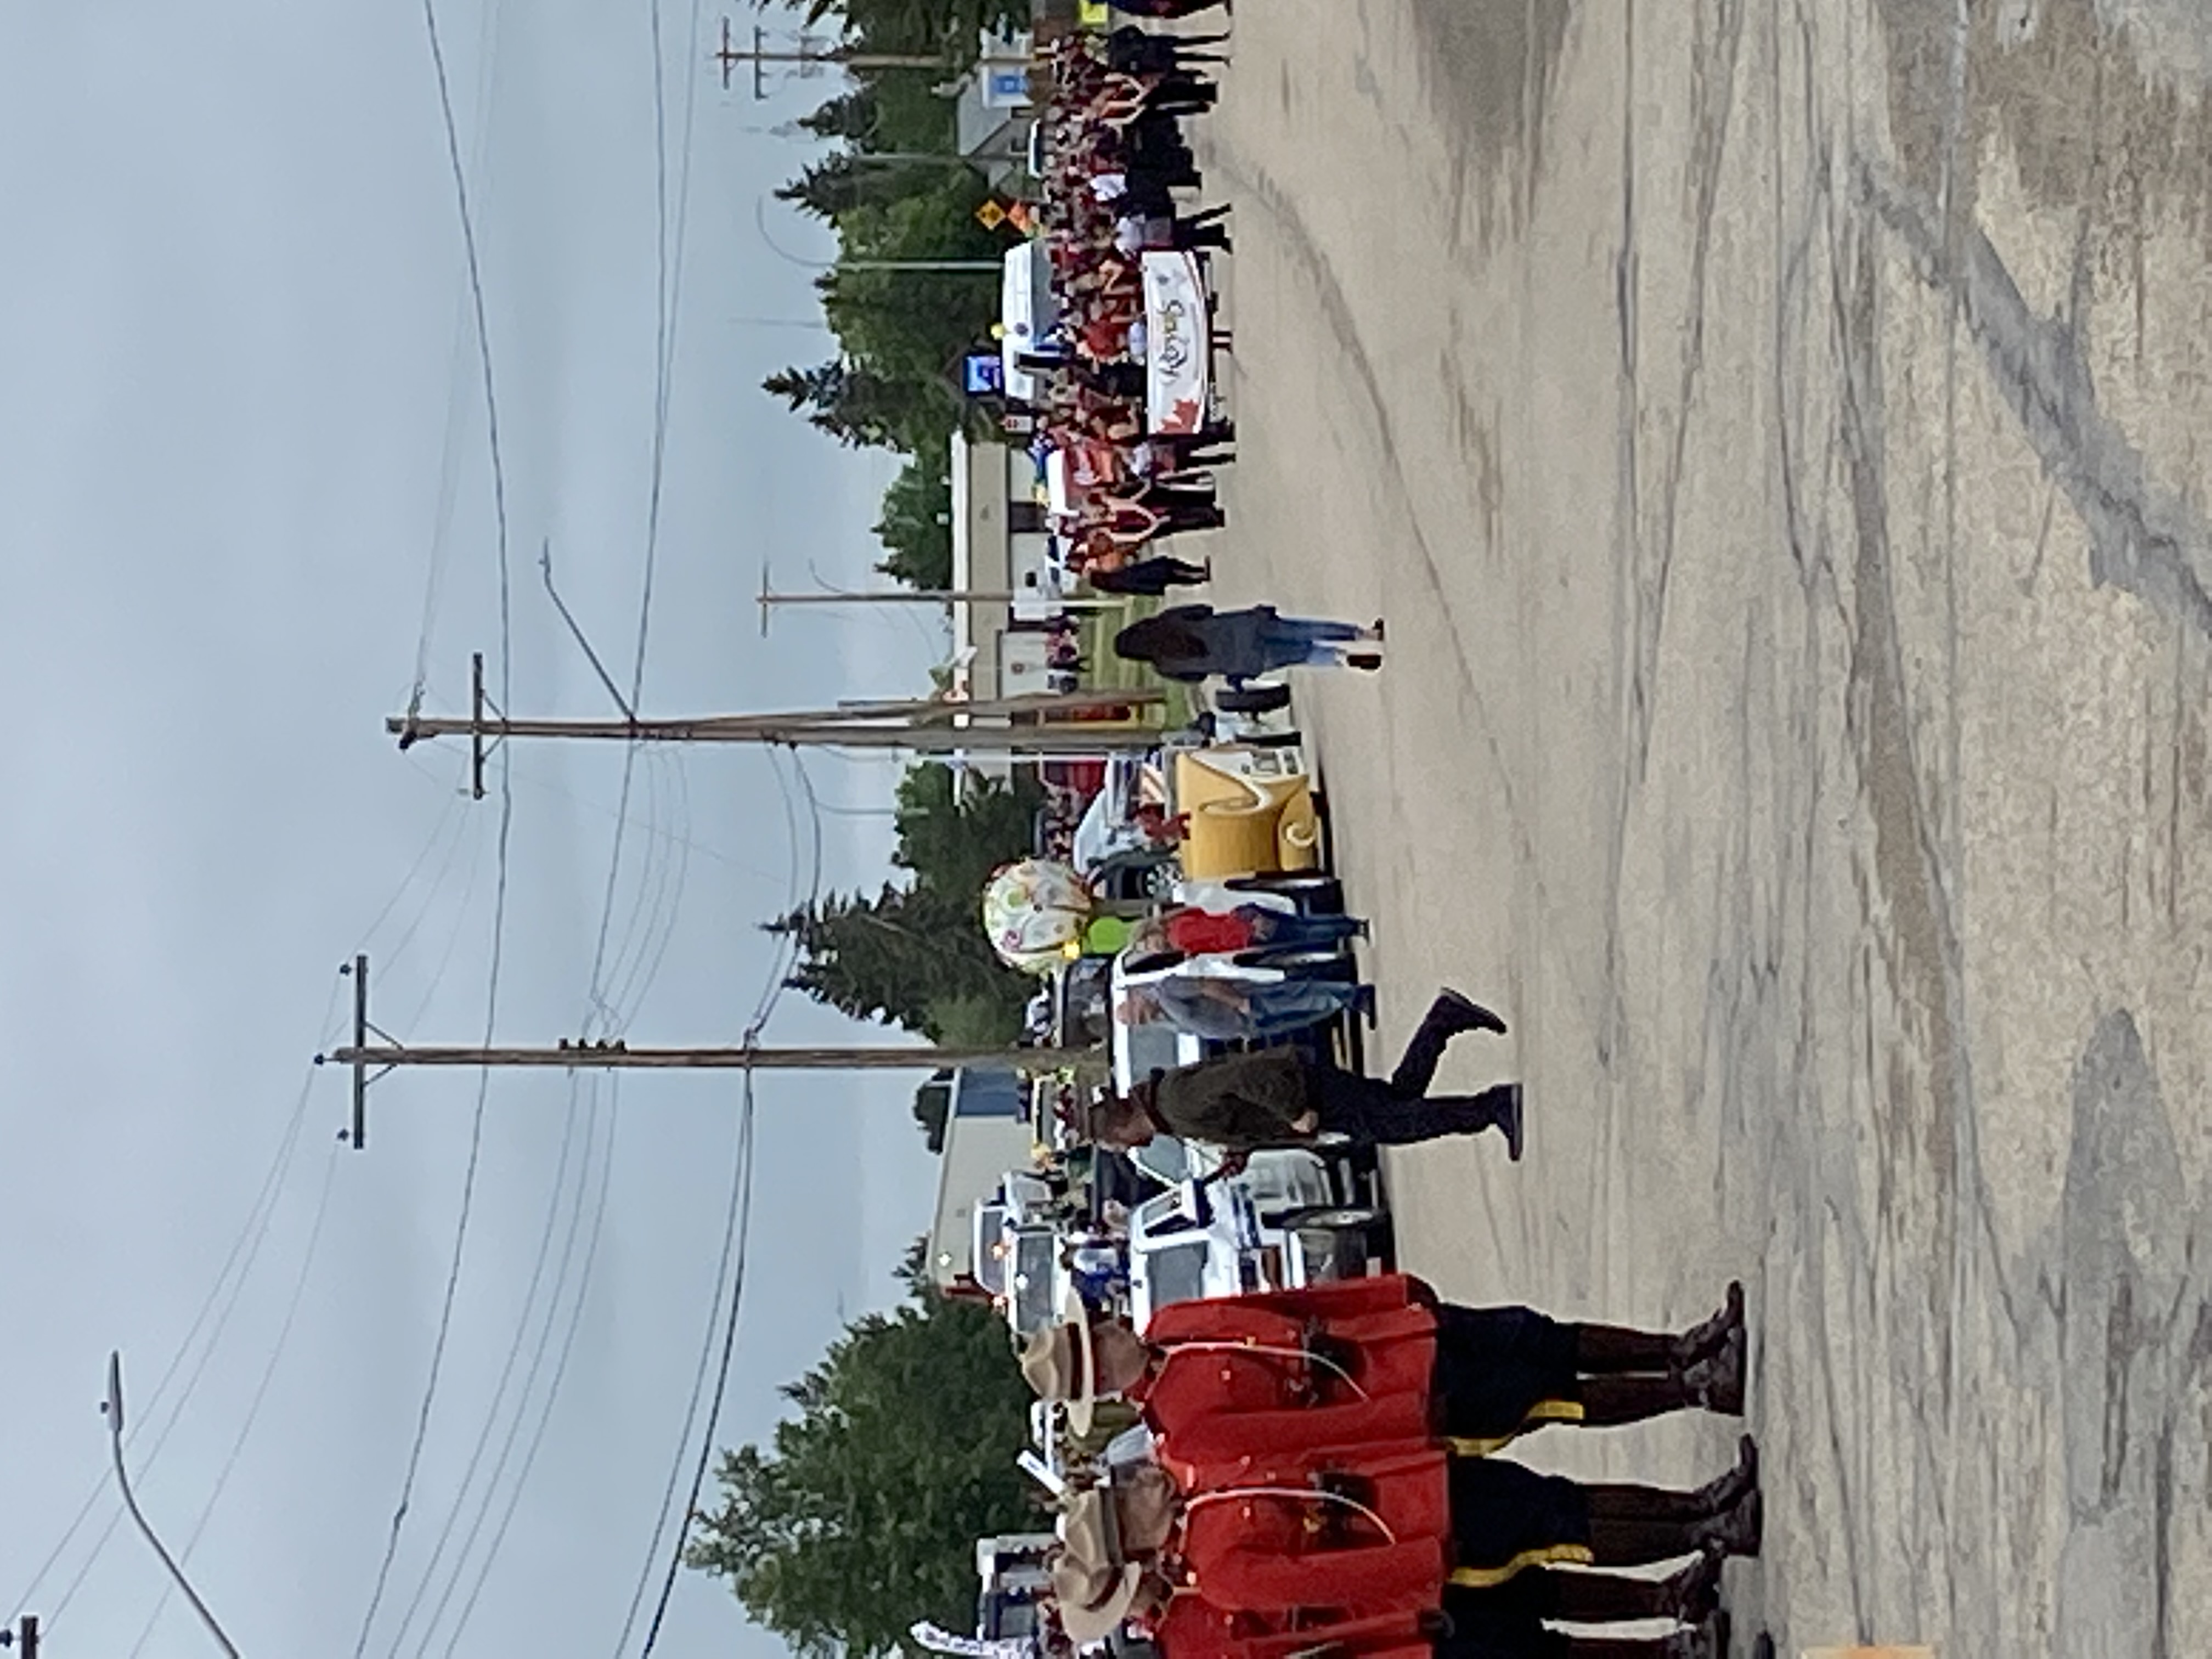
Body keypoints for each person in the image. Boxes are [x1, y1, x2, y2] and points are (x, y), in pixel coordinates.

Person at [1020, 1274, 1748, 1474]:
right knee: (1550, 1398)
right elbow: (1305, 1440)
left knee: (1537, 1336)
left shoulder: (1172, 1322)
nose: (1112, 1324)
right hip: (1401, 1396)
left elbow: (1288, 1304)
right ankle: (1692, 1391)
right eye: (1100, 1336)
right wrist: (1404, 1430)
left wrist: (1385, 1295)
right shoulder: (1181, 1431)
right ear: (1103, 1374)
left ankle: (1682, 1347)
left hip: (1392, 1336)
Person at [1090, 991, 1525, 1160]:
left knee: (1401, 1123)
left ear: (1122, 1126)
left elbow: (1242, 1077)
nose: (1124, 1149)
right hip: (1303, 1088)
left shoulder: (1175, 1103)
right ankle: (1444, 1020)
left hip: (1306, 1093)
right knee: (1399, 1098)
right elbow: (1236, 1110)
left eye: (1117, 1143)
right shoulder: (1170, 1113)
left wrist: (1294, 1111)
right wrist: (1241, 1150)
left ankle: (1492, 1106)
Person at [1114, 604, 1385, 684]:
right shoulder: (1168, 621)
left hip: (1247, 661)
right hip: (1246, 627)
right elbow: (1204, 610)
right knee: (1303, 630)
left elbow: (1198, 677)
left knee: (1304, 655)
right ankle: (1363, 635)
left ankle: (1340, 659)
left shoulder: (1165, 667)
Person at [1120, 975, 1374, 1044]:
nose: (1142, 1019)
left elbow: (1206, 986)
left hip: (1245, 1003)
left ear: (1138, 999)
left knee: (1298, 999)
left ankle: (1353, 996)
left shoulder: (1167, 990)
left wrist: (1238, 1002)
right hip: (1247, 1026)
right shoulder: (1166, 1023)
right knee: (1303, 1013)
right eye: (1138, 1022)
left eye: (1137, 1014)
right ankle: (1348, 1000)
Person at [1087, 553, 1211, 596]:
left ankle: (1199, 576)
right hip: (1146, 574)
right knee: (1170, 567)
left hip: (1147, 582)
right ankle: (1198, 572)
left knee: (1174, 577)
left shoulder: (1113, 584)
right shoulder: (1114, 578)